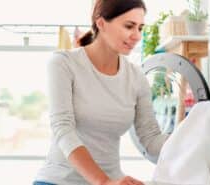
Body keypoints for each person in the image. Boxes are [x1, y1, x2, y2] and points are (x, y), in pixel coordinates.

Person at [34, 0, 169, 184]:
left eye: (140, 28)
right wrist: (103, 182)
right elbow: (63, 128)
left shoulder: (136, 77)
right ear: (101, 23)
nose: (137, 36)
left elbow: (150, 138)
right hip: (59, 180)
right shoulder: (64, 63)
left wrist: (189, 138)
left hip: (112, 180)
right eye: (129, 26)